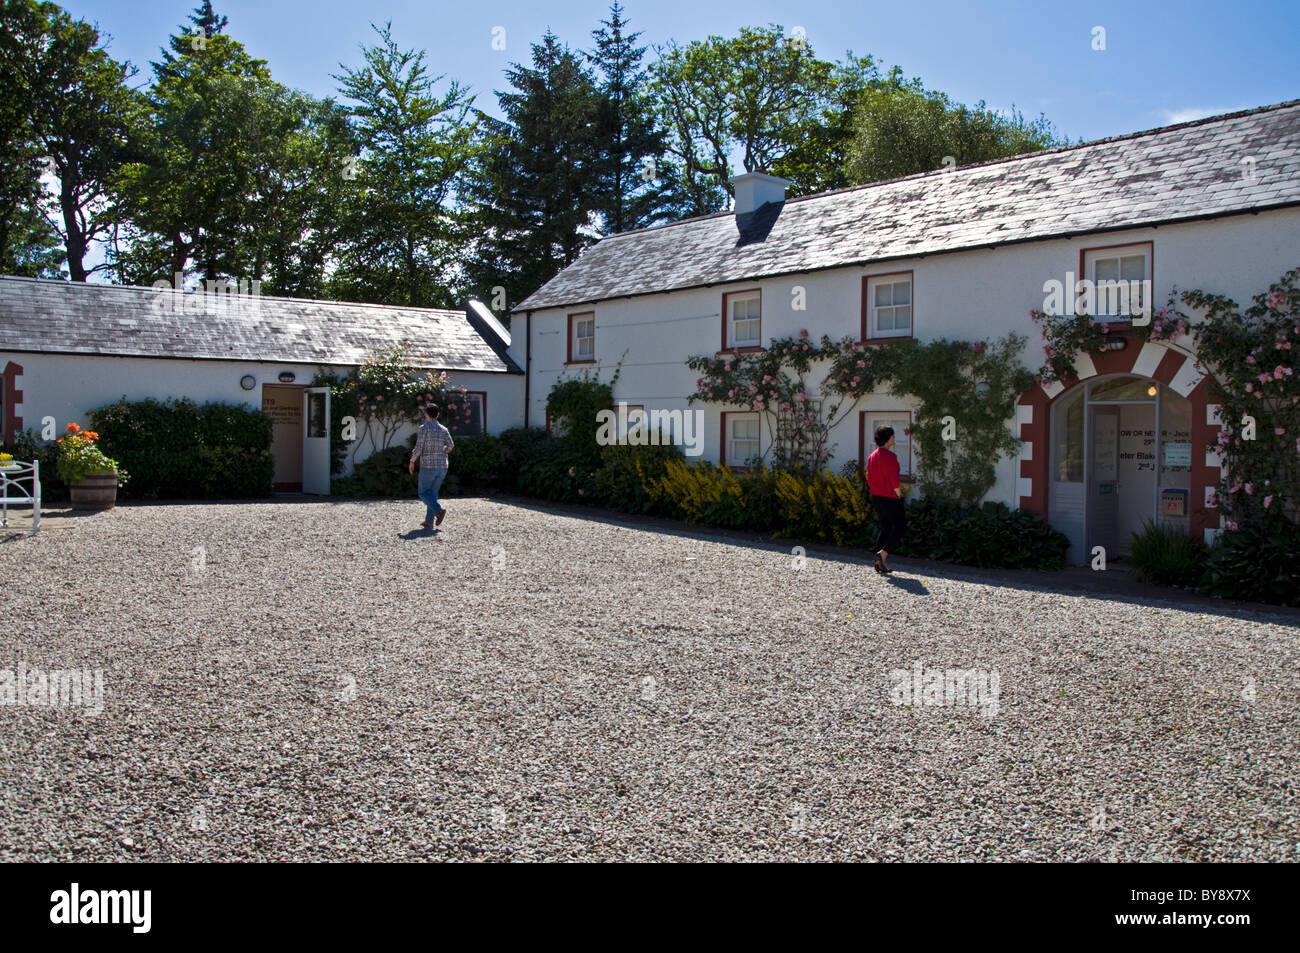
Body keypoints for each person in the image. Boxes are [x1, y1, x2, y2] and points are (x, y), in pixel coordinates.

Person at [866, 425, 906, 575]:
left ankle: (880, 563)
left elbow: (869, 477)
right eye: (893, 436)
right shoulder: (889, 457)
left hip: (876, 497)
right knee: (901, 527)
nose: (894, 439)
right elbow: (893, 480)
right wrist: (899, 494)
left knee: (885, 528)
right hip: (889, 497)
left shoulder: (872, 456)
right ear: (888, 439)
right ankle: (883, 554)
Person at [409, 404, 454, 530]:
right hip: (442, 466)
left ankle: (438, 511)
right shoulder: (444, 429)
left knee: (423, 492)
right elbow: (451, 446)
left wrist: (412, 461)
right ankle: (429, 522)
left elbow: (418, 448)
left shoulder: (424, 428)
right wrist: (442, 451)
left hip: (428, 466)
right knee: (432, 494)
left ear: (426, 414)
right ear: (438, 415)